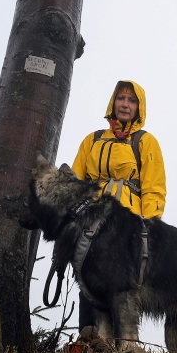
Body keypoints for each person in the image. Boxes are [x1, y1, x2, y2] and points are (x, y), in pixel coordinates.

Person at [72, 79, 166, 332]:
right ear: (113, 103)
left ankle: (123, 342)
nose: (125, 104)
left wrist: (149, 227)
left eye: (131, 100)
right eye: (121, 98)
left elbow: (154, 188)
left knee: (121, 285)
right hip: (91, 225)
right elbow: (74, 185)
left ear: (139, 107)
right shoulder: (92, 140)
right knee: (87, 280)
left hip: (127, 228)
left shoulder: (145, 141)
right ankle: (89, 338)